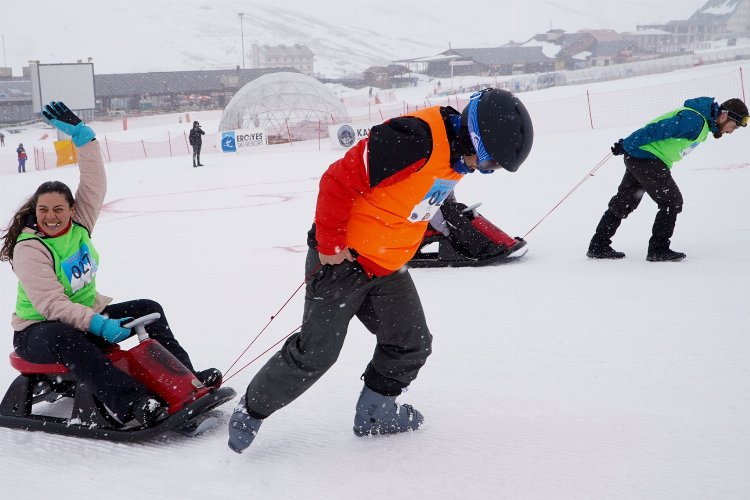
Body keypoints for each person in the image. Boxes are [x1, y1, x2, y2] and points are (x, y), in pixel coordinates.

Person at [227, 88, 534, 453]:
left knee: (411, 342)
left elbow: (415, 198)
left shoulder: (455, 156)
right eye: (489, 163)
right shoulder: (413, 139)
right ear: (477, 140)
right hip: (342, 264)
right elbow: (336, 180)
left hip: (387, 267)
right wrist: (331, 245)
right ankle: (251, 410)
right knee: (316, 353)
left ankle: (376, 413)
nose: (486, 171)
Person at [0, 102, 221, 427]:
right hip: (38, 332)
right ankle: (133, 403)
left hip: (83, 317)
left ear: (72, 210)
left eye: (58, 209)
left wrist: (84, 139)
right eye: (43, 209)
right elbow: (51, 305)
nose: (50, 216)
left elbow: (94, 183)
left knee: (150, 308)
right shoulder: (30, 247)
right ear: (36, 210)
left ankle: (187, 380)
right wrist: (100, 325)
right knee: (65, 335)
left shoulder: (80, 225)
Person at [587, 97, 748, 262]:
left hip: (640, 157)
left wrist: (628, 145)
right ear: (723, 116)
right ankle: (658, 249)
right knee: (672, 201)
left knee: (626, 200)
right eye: (733, 126)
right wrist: (628, 143)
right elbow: (656, 129)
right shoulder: (695, 121)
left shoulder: (700, 122)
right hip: (647, 159)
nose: (730, 131)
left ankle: (598, 244)